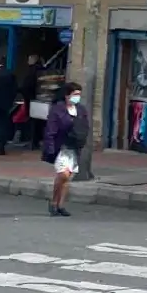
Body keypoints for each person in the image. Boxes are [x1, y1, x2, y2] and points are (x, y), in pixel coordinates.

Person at [43, 84, 90, 217]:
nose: (77, 97)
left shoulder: (80, 110)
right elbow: (50, 130)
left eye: (79, 94)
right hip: (61, 146)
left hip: (74, 146)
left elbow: (85, 126)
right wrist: (50, 147)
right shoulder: (58, 110)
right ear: (67, 95)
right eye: (75, 94)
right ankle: (53, 201)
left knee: (68, 177)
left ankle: (60, 205)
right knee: (62, 174)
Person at [15, 54, 43, 147]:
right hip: (39, 98)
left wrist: (20, 90)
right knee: (38, 121)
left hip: (31, 98)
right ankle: (36, 140)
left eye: (29, 59)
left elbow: (27, 85)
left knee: (33, 120)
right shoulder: (41, 70)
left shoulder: (32, 71)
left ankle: (33, 141)